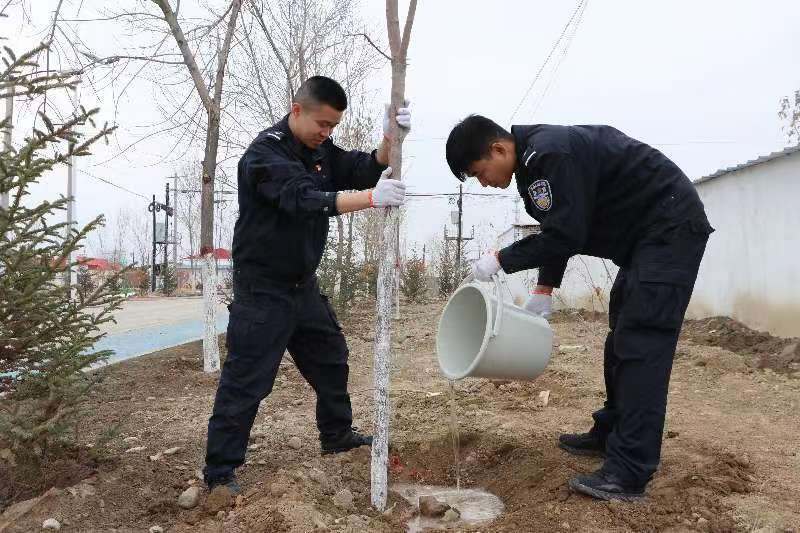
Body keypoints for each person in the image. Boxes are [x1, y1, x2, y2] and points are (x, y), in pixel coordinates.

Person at [445, 115, 713, 501]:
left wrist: (501, 259)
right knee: (620, 336)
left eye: (479, 172)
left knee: (641, 345)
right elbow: (562, 229)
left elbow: (565, 234)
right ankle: (611, 433)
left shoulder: (549, 154)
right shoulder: (533, 166)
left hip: (669, 230)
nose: (484, 182)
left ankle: (629, 471)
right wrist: (545, 287)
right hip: (644, 243)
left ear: (498, 149)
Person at [204, 76, 411, 494]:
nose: (326, 133)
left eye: (333, 126)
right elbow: (303, 200)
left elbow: (360, 167)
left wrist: (390, 142)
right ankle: (220, 471)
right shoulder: (265, 154)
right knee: (247, 381)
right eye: (322, 123)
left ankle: (336, 436)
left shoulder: (319, 150)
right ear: (296, 110)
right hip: (262, 290)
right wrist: (371, 199)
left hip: (303, 286)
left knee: (331, 360)